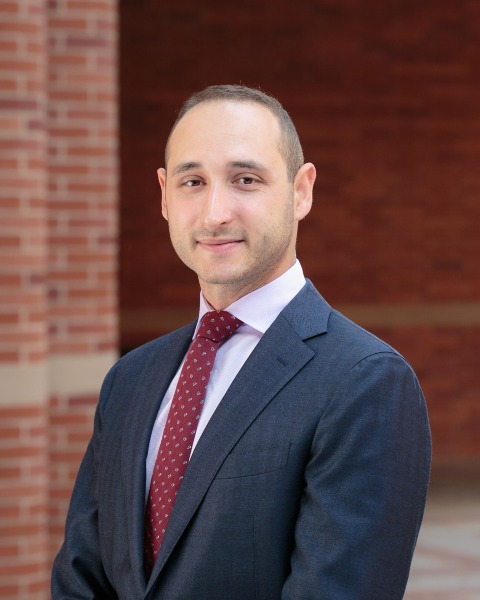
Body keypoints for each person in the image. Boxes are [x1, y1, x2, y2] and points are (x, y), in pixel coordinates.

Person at [51, 84, 431, 600]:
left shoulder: (365, 381)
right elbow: (80, 578)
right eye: (192, 182)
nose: (215, 213)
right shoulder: (129, 380)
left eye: (245, 180)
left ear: (301, 191)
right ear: (164, 196)